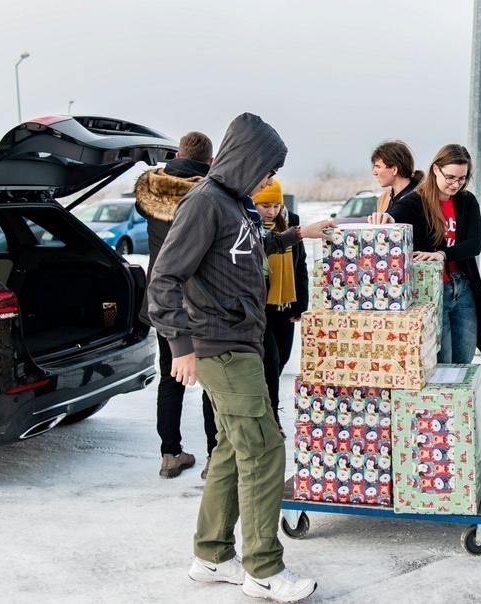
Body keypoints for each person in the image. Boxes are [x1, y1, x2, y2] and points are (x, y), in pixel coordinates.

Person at [147, 112, 333, 602]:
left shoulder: (237, 206)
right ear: (245, 160)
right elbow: (164, 278)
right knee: (265, 450)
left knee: (231, 449)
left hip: (242, 342)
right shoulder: (204, 203)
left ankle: (210, 556)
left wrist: (300, 234)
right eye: (266, 169)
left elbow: (252, 248)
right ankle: (264, 569)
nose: (270, 180)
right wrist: (179, 345)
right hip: (220, 346)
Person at [134, 131, 218, 479]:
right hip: (200, 298)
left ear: (177, 155)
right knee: (212, 381)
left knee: (171, 379)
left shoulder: (150, 191)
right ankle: (216, 456)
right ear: (210, 161)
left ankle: (170, 454)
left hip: (163, 298)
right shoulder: (208, 194)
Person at [369, 143, 481, 364]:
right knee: (442, 362)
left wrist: (442, 254)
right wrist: (388, 219)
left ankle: (459, 400)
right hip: (433, 292)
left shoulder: (466, 200)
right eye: (451, 177)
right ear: (435, 169)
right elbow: (397, 214)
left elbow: (474, 244)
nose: (456, 184)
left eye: (462, 178)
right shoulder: (418, 200)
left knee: (463, 361)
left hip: (463, 288)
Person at [252, 179, 309, 434]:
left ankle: (264, 403)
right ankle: (272, 417)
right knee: (270, 359)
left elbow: (301, 265)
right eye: (265, 205)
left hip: (285, 303)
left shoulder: (292, 221)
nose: (271, 211)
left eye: (276, 205)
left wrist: (301, 304)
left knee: (283, 358)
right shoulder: (249, 225)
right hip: (260, 304)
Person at [370, 140, 424, 214]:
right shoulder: (383, 199)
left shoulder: (421, 198)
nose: (374, 172)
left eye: (378, 167)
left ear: (394, 169)